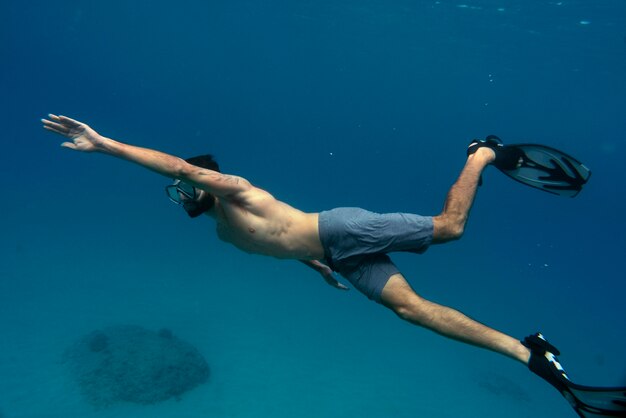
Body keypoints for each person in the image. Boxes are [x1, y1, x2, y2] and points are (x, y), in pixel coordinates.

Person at [42, 114, 624, 417]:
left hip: (338, 228)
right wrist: (316, 269)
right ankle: (533, 355)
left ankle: (482, 154)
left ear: (199, 184)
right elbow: (278, 245)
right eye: (176, 196)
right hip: (330, 255)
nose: (180, 199)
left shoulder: (235, 192)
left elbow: (178, 165)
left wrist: (106, 145)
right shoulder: (224, 235)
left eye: (181, 190)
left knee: (450, 229)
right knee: (413, 312)